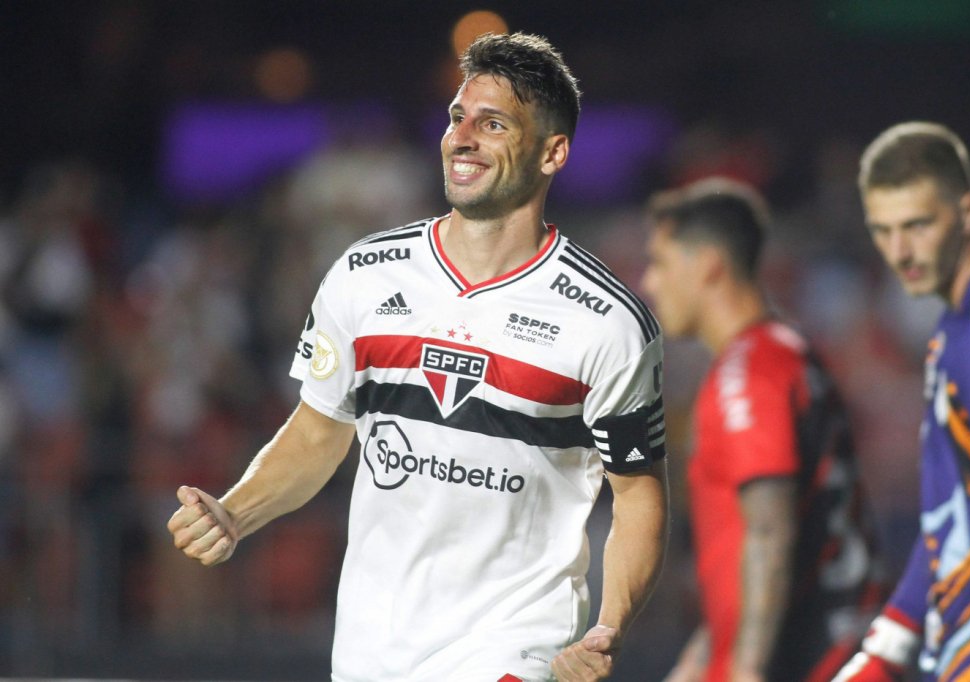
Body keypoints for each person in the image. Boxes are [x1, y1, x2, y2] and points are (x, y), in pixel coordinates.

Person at [166, 31, 669, 682]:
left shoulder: (606, 321)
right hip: (371, 652)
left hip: (516, 647)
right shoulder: (364, 275)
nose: (463, 138)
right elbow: (318, 433)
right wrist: (235, 512)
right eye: (458, 117)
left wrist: (608, 627)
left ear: (553, 152)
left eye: (493, 124)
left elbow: (638, 495)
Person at [641, 178, 884, 682]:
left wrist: (747, 669)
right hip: (836, 645)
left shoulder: (746, 374)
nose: (649, 283)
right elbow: (754, 554)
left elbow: (770, 532)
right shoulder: (787, 351)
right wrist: (702, 657)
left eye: (661, 263)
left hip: (807, 663)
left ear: (708, 265)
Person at [834, 122, 970, 681]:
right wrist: (892, 640)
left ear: (969, 211)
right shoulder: (961, 320)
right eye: (882, 230)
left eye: (917, 225)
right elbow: (956, 504)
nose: (900, 252)